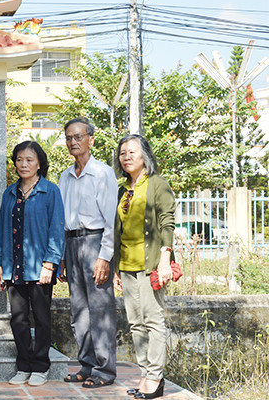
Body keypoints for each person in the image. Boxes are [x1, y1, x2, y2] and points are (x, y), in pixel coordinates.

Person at [0, 141, 65, 387]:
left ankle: (40, 367)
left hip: (40, 267)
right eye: (19, 159)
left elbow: (56, 229)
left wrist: (50, 263)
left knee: (42, 318)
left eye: (29, 160)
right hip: (14, 266)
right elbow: (1, 229)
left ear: (39, 164)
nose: (24, 164)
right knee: (18, 318)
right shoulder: (9, 193)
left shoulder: (50, 191)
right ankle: (23, 365)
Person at [113, 134, 176, 399]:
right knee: (135, 323)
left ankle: (155, 377)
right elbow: (119, 229)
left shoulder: (157, 184)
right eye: (122, 153)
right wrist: (116, 267)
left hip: (150, 263)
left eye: (132, 152)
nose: (126, 157)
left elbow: (166, 221)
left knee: (153, 320)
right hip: (126, 264)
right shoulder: (122, 188)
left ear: (144, 156)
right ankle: (145, 373)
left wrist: (165, 258)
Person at [58, 117, 118, 389]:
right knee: (79, 309)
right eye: (69, 137)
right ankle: (87, 365)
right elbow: (61, 219)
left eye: (78, 137)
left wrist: (105, 257)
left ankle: (105, 371)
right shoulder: (65, 176)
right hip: (71, 244)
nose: (73, 142)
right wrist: (60, 256)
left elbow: (110, 220)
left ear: (91, 139)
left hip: (95, 243)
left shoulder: (103, 173)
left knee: (100, 309)